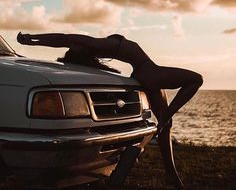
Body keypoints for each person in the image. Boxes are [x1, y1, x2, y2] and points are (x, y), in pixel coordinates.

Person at [17, 32, 203, 189]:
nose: (75, 45)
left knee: (166, 125)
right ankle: (166, 120)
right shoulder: (91, 44)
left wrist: (33, 40)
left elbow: (63, 40)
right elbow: (64, 38)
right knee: (196, 79)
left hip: (144, 73)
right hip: (149, 72)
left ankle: (171, 174)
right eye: (75, 47)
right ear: (79, 50)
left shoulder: (98, 47)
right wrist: (31, 38)